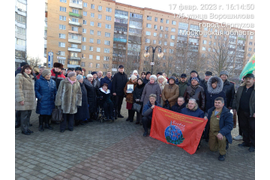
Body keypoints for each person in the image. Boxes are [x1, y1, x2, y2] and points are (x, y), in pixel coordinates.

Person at [232, 73, 255, 152]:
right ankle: (246, 142)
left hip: (252, 113)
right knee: (243, 127)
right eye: (246, 79)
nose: (248, 80)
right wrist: (234, 107)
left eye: (250, 78)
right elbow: (235, 97)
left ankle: (253, 144)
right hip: (241, 111)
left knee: (252, 129)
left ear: (253, 80)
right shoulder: (241, 88)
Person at [15, 65, 36, 135]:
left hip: (30, 100)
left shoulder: (31, 77)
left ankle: (27, 128)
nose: (28, 71)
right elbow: (18, 88)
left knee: (28, 115)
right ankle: (24, 130)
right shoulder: (20, 76)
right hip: (24, 99)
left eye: (29, 69)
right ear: (23, 69)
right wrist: (20, 99)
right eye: (27, 69)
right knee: (24, 115)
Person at [15, 62, 29, 128]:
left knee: (26, 112)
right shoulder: (18, 74)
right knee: (19, 110)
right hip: (21, 95)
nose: (28, 70)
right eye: (26, 67)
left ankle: (25, 124)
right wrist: (20, 98)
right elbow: (17, 87)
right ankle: (18, 122)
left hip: (28, 96)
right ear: (22, 67)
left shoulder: (31, 74)